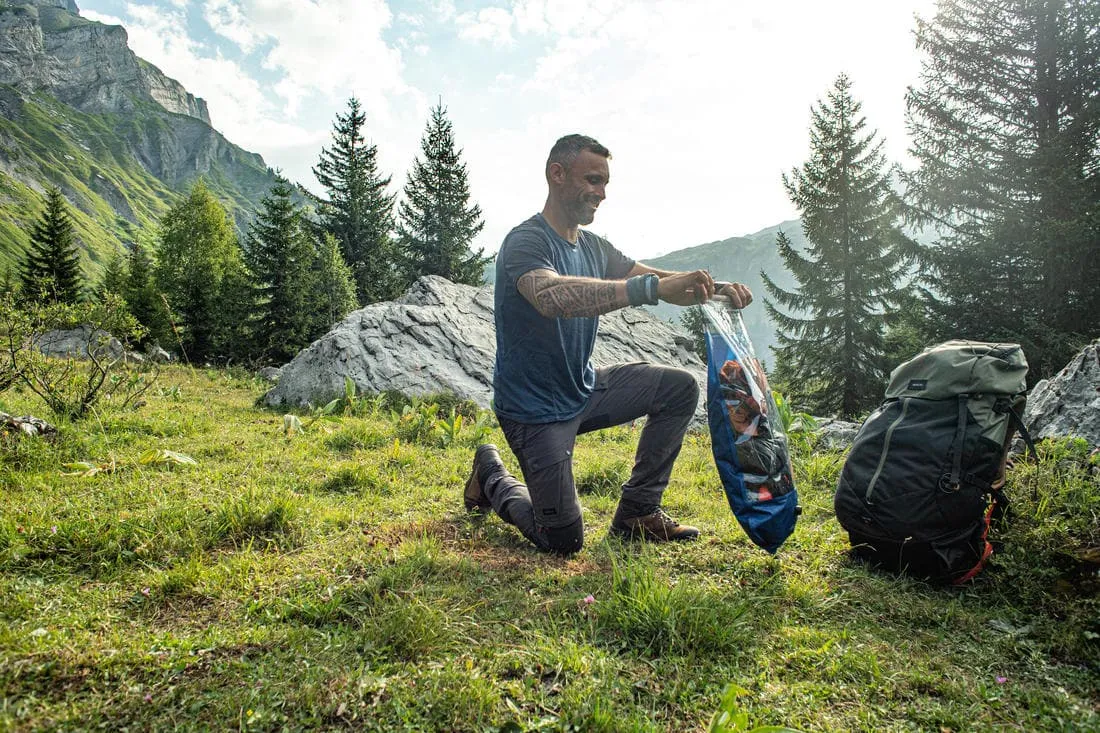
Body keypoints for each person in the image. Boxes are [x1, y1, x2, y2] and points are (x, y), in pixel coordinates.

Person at [463, 133, 753, 555]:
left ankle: (638, 512)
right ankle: (491, 473)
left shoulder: (594, 246)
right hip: (534, 412)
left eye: (605, 183)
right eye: (593, 180)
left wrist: (718, 288)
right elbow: (551, 296)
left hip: (583, 390)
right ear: (556, 174)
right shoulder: (526, 242)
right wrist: (649, 288)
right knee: (562, 540)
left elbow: (660, 281)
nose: (601, 193)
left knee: (679, 387)